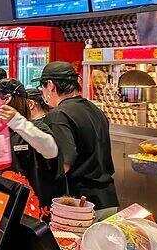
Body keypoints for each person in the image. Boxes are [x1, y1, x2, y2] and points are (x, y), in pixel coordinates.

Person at [37, 61, 117, 218]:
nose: (43, 92)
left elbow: (64, 164)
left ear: (51, 86)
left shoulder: (59, 115)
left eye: (43, 87)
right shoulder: (95, 109)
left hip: (81, 206)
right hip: (108, 201)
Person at [0, 80, 59, 215]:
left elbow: (51, 149)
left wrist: (16, 121)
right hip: (0, 206)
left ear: (8, 100)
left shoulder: (34, 128)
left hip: (32, 210)